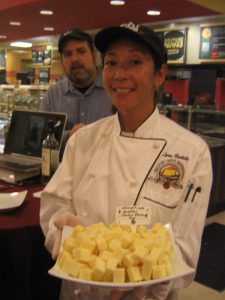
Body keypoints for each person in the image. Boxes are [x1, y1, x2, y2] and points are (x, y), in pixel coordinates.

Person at [40, 22, 213, 300]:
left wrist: (152, 279)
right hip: (79, 290)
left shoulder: (192, 152)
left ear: (160, 74)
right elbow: (55, 203)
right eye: (111, 62)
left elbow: (184, 245)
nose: (120, 75)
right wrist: (61, 231)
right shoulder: (82, 141)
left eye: (134, 62)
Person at [40, 28, 113, 154]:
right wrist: (69, 136)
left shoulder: (114, 89)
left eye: (81, 51)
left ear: (94, 55)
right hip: (63, 170)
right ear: (62, 60)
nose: (75, 59)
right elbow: (39, 137)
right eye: (68, 54)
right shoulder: (53, 94)